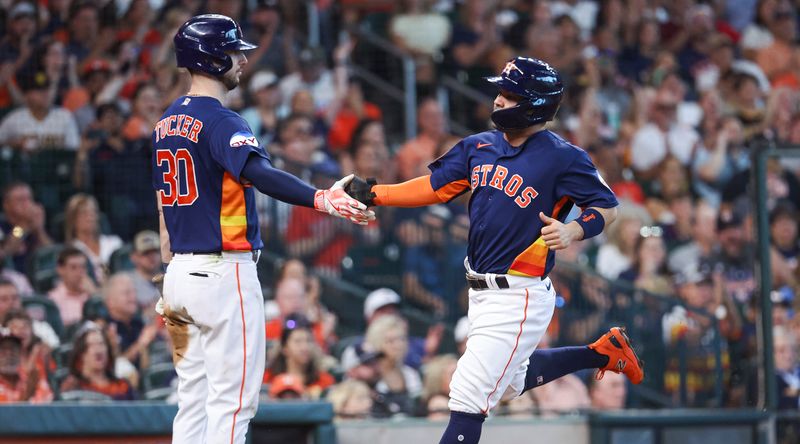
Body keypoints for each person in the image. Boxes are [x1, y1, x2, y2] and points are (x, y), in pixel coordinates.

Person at [345, 57, 643, 444]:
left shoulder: (563, 157)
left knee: (467, 394)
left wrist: (574, 230)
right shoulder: (478, 146)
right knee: (505, 383)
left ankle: (601, 354)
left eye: (510, 94)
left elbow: (608, 207)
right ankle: (602, 353)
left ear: (535, 103)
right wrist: (376, 194)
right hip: (481, 294)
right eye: (500, 92)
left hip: (519, 293)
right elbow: (434, 186)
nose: (499, 100)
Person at [154, 15, 373, 444]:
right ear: (213, 59)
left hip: (180, 273)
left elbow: (164, 199)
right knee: (233, 402)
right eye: (235, 52)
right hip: (222, 272)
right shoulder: (221, 121)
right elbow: (262, 174)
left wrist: (173, 257)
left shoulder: (166, 121)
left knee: (193, 399)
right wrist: (321, 198)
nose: (241, 61)